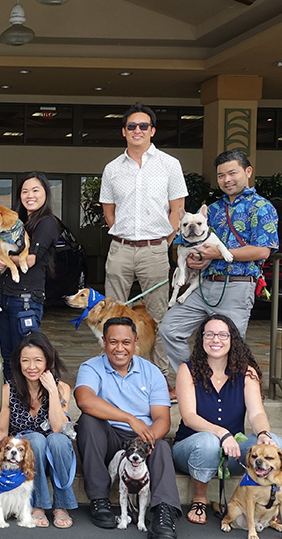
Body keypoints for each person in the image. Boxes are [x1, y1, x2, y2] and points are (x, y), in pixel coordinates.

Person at [159, 149, 279, 373]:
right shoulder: (212, 209)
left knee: (229, 344)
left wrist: (215, 254)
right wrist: (194, 260)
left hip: (237, 284)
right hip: (203, 284)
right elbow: (183, 242)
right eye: (221, 175)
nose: (227, 180)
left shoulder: (262, 208)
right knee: (170, 328)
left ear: (248, 172)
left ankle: (226, 393)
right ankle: (196, 379)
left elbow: (263, 250)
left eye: (232, 173)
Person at [74, 317, 180, 539]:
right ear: (103, 342)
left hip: (141, 439)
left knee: (161, 446)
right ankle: (100, 500)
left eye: (126, 342)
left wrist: (146, 438)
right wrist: (129, 418)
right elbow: (84, 400)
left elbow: (163, 418)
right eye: (113, 341)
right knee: (88, 421)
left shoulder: (151, 372)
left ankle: (164, 515)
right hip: (109, 434)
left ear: (135, 342)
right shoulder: (91, 367)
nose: (119, 348)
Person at [100, 102, 186, 377]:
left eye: (143, 126)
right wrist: (125, 236)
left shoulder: (169, 165)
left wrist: (166, 242)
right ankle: (112, 373)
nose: (137, 130)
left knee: (159, 315)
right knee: (111, 314)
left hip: (154, 249)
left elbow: (178, 209)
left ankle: (160, 374)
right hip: (121, 249)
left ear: (153, 131)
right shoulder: (112, 169)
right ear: (123, 131)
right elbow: (109, 211)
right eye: (132, 126)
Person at [172, 314, 282, 525]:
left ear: (232, 339)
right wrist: (222, 433)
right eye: (210, 334)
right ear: (201, 339)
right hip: (192, 451)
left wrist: (263, 434)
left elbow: (257, 413)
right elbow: (188, 417)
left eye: (223, 335)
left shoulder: (246, 373)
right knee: (208, 442)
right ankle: (199, 499)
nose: (216, 340)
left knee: (276, 444)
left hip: (232, 452)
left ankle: (266, 503)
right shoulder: (187, 370)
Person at [0, 172, 60, 382]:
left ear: (45, 194)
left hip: (25, 300)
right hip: (5, 298)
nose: (29, 195)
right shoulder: (14, 222)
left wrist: (2, 258)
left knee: (28, 359)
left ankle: (32, 409)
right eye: (25, 191)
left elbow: (30, 259)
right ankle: (10, 407)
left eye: (35, 190)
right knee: (7, 359)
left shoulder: (47, 223)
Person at [0, 332, 76, 528]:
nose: (31, 367)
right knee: (35, 439)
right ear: (18, 363)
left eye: (38, 360)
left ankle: (61, 506)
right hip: (24, 453)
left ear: (47, 361)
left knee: (58, 439)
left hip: (55, 449)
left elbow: (58, 427)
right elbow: (2, 431)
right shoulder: (8, 390)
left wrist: (53, 391)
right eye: (25, 361)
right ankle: (38, 505)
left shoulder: (61, 388)